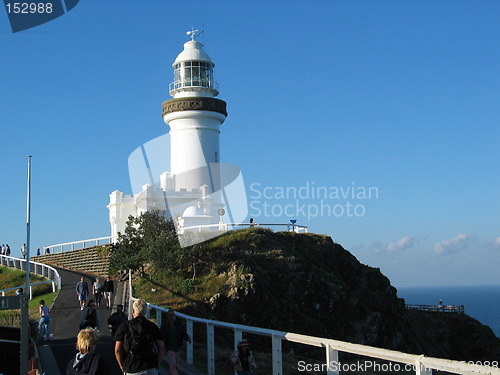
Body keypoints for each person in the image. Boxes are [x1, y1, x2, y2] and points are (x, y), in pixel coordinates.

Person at [114, 299, 165, 375]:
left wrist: (122, 366)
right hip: (149, 366)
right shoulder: (151, 326)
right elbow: (161, 347)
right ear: (145, 312)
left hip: (131, 367)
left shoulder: (124, 326)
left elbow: (117, 349)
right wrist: (157, 364)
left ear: (133, 311)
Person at [160, 309, 191, 375]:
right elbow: (160, 336)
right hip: (169, 347)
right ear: (167, 316)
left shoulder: (178, 325)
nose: (172, 317)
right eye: (170, 315)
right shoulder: (164, 326)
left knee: (174, 364)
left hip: (177, 346)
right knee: (173, 363)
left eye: (173, 315)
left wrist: (188, 338)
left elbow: (183, 333)